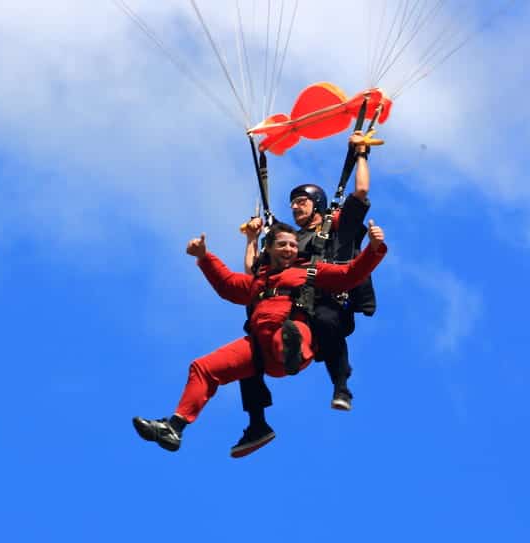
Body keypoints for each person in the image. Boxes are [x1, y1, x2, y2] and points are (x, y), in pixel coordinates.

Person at [132, 220, 387, 454]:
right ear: (270, 249)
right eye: (282, 244)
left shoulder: (309, 271)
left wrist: (373, 249)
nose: (289, 248)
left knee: (287, 334)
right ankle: (175, 426)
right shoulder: (259, 281)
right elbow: (228, 285)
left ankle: (291, 350)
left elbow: (349, 275)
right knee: (203, 367)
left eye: (292, 244)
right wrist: (203, 257)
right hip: (259, 350)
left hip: (294, 338)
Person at [231, 132, 376, 457]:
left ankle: (341, 386)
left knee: (327, 319)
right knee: (251, 346)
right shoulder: (287, 240)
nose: (295, 206)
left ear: (318, 206)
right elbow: (256, 274)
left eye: (302, 202)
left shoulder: (337, 229)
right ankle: (257, 424)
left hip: (324, 300)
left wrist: (362, 153)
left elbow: (361, 192)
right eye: (293, 202)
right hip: (289, 305)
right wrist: (253, 240)